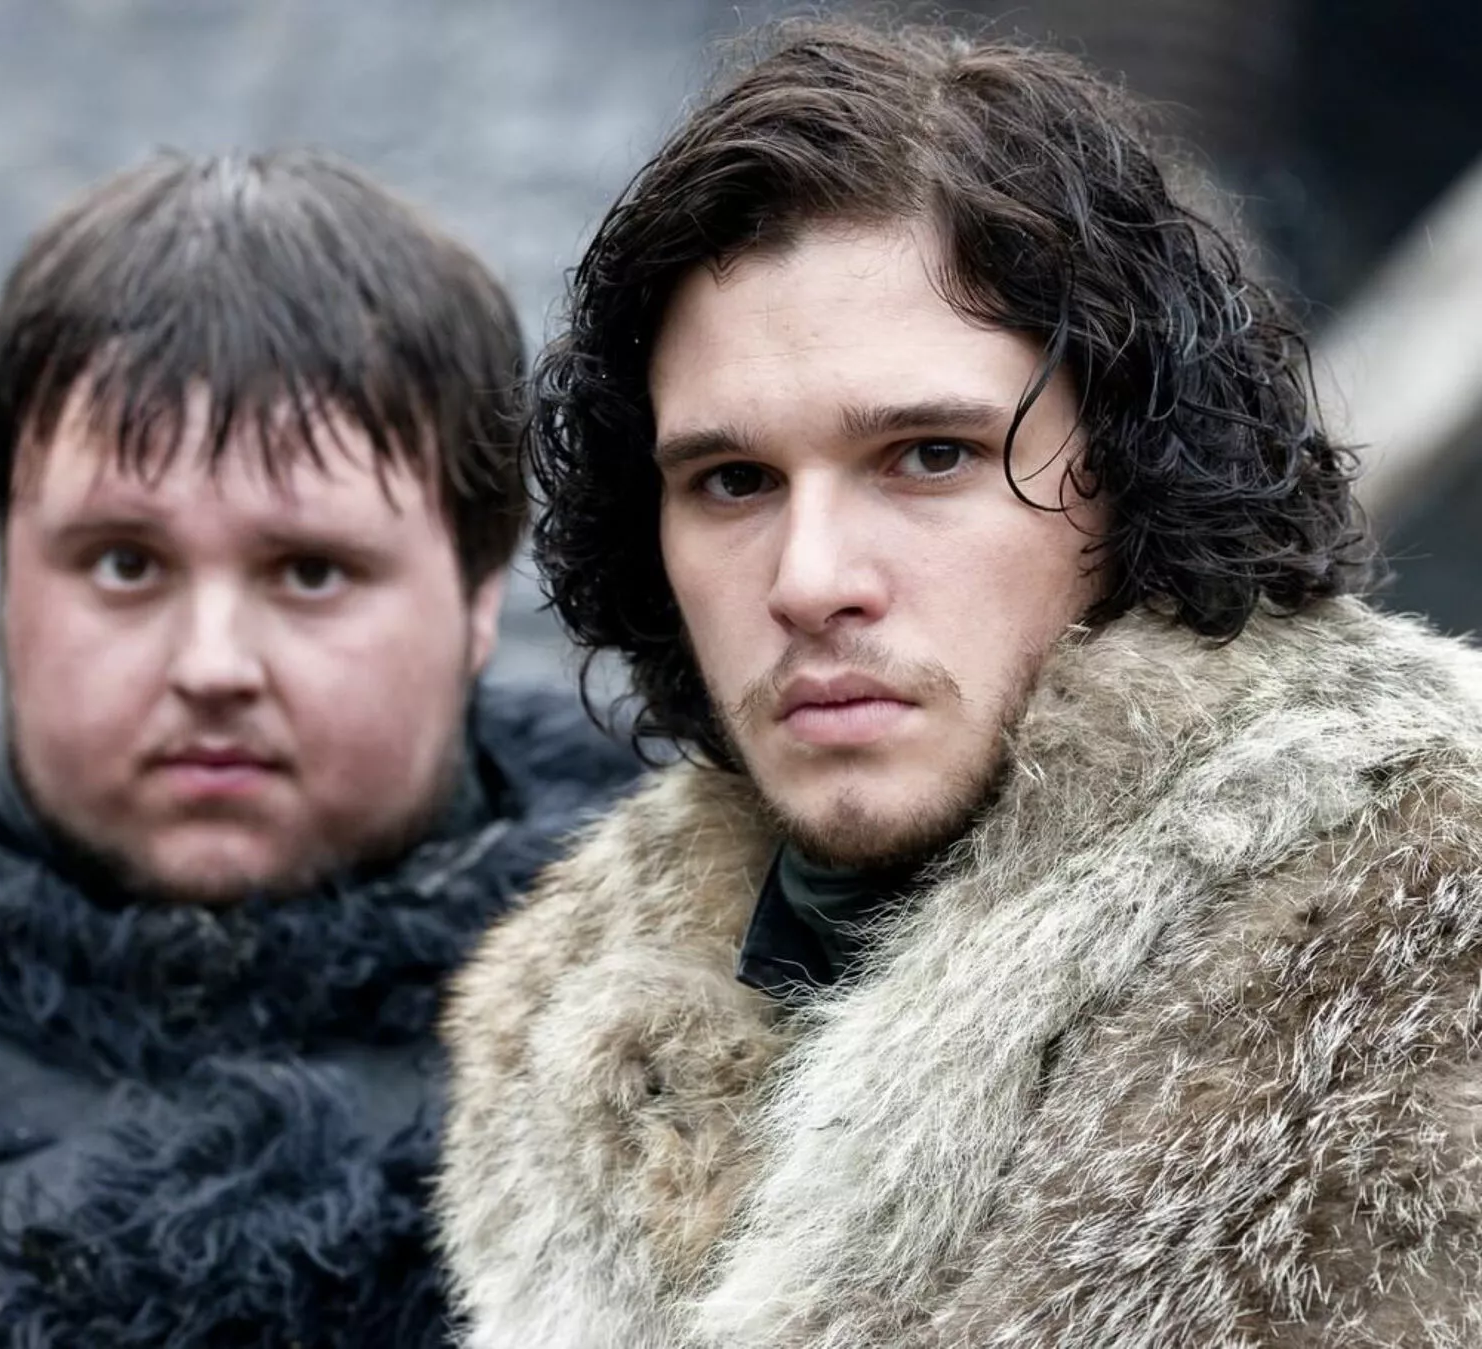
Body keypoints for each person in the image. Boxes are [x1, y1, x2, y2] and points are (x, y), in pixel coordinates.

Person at [436, 21, 1482, 1348]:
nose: (810, 579)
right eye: (733, 480)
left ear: (1132, 477)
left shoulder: (1424, 931)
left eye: (929, 455)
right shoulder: (569, 1005)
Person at [0, 149, 635, 1347]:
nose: (212, 663)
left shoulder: (703, 1045)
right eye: (124, 562)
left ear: (479, 597)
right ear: (8, 574)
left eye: (311, 571)